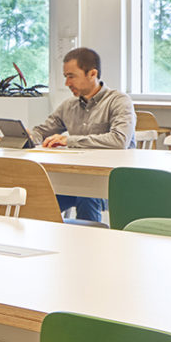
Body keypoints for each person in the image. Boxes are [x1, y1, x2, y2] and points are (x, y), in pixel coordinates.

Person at [31, 47, 134, 223]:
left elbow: (119, 140)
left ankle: (89, 244)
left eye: (71, 76)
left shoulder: (118, 101)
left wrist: (68, 140)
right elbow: (42, 131)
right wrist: (27, 136)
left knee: (87, 195)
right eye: (65, 77)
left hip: (111, 181)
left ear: (92, 74)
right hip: (76, 178)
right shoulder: (68, 105)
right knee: (38, 200)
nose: (67, 83)